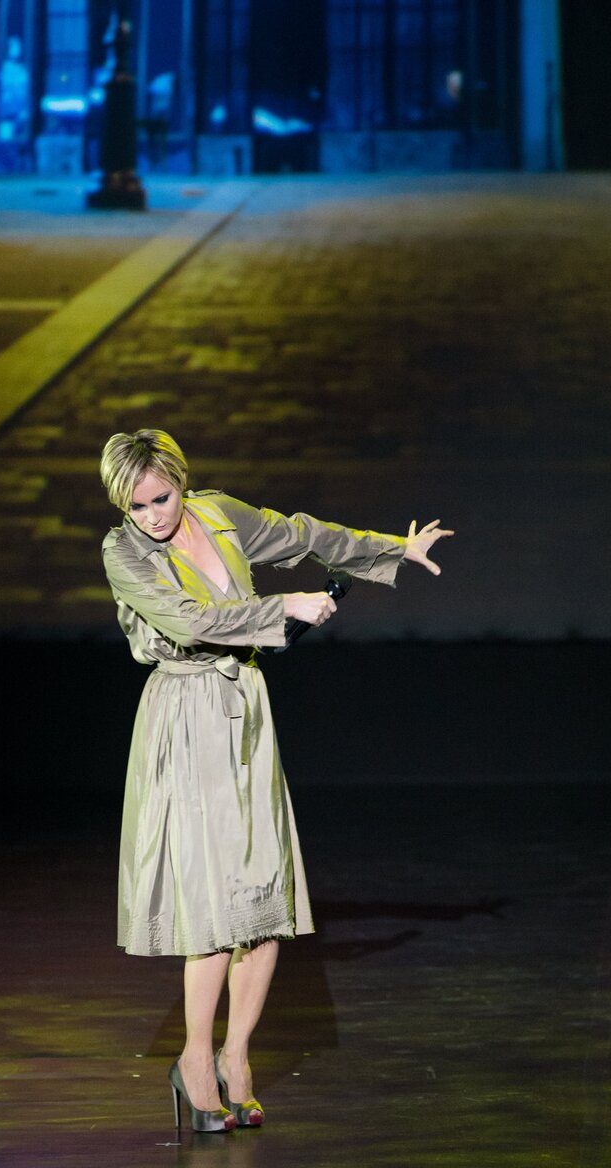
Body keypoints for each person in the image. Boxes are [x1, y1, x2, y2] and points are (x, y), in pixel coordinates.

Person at [99, 430, 453, 1133]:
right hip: (188, 714)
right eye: (136, 506)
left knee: (264, 900)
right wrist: (284, 607)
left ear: (180, 482)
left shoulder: (217, 513)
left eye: (161, 499)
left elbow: (301, 534)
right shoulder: (124, 553)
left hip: (245, 707)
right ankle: (193, 1061)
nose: (152, 516)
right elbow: (190, 621)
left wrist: (392, 549)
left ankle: (235, 1057)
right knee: (212, 910)